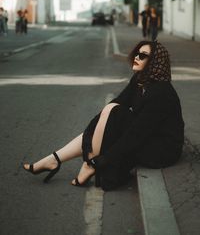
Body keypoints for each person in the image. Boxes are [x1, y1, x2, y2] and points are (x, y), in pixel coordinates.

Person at [23, 40, 184, 191]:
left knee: (115, 113)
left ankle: (88, 165)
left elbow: (136, 136)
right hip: (146, 136)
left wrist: (101, 161)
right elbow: (116, 104)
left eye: (142, 56)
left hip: (161, 150)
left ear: (155, 62)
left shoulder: (161, 93)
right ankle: (55, 159)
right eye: (136, 53)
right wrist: (92, 129)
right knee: (113, 108)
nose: (136, 57)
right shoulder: (140, 80)